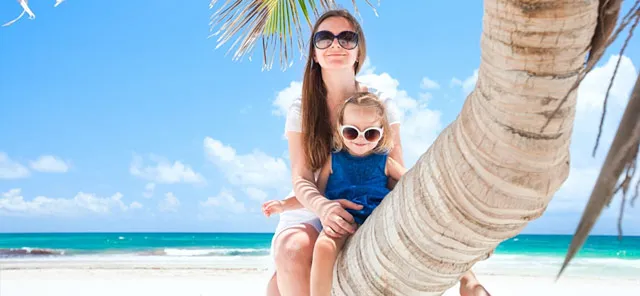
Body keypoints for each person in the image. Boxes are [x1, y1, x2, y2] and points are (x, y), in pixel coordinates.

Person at [266, 8, 491, 296]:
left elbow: (397, 173)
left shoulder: (381, 103)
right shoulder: (301, 109)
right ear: (313, 53)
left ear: (359, 52)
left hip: (368, 198)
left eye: (347, 38)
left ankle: (468, 281)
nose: (335, 44)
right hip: (313, 200)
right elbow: (301, 177)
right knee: (291, 250)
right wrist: (324, 207)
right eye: (324, 38)